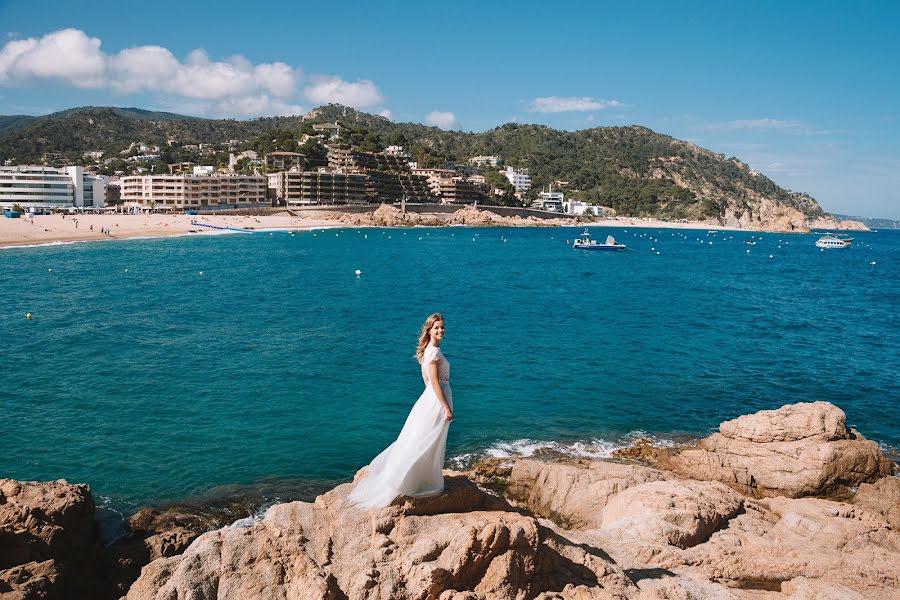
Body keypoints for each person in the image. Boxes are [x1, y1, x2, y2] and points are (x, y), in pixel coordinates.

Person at [348, 313, 453, 509]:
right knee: (428, 440)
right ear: (429, 330)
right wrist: (445, 405)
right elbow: (435, 383)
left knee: (425, 438)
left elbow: (427, 383)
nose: (440, 330)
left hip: (430, 399)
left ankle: (423, 477)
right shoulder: (434, 353)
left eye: (442, 327)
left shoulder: (429, 351)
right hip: (437, 400)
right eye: (436, 327)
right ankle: (421, 480)